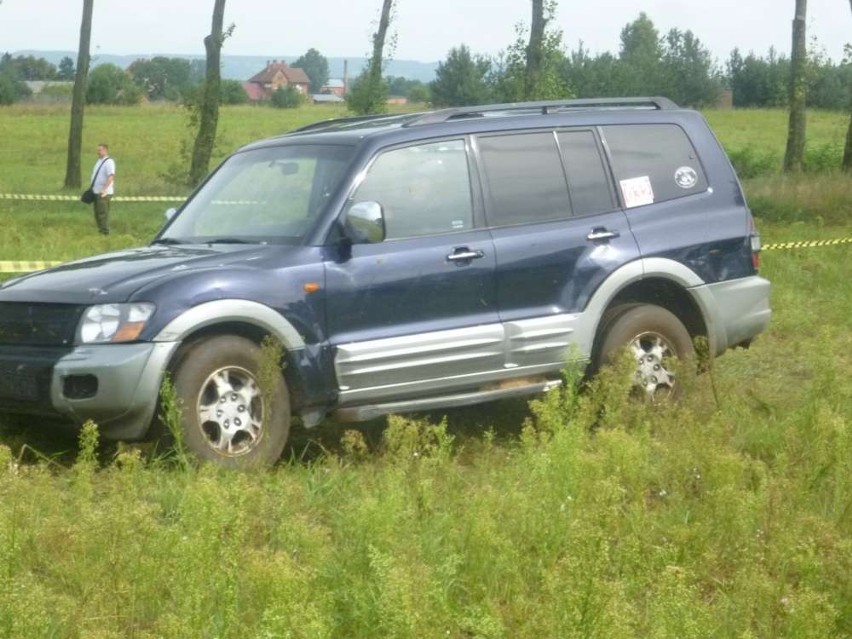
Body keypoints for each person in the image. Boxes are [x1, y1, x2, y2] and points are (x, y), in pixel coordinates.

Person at [90, 143, 116, 235]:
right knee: (97, 213)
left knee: (102, 213)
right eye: (97, 150)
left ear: (105, 150)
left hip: (104, 193)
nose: (98, 152)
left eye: (100, 150)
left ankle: (105, 232)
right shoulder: (98, 162)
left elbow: (110, 176)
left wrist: (104, 189)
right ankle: (100, 230)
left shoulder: (109, 162)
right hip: (96, 192)